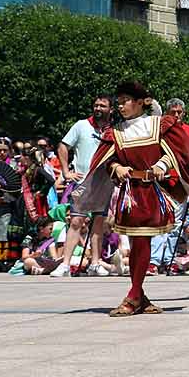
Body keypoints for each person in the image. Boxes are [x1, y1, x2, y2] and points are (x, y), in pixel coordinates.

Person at [77, 80, 189, 317]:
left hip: (152, 192)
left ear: (139, 103)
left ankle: (133, 296)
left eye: (125, 101)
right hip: (128, 194)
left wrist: (162, 164)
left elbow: (179, 151)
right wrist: (115, 167)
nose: (121, 106)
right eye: (119, 102)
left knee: (143, 241)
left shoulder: (159, 125)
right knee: (137, 243)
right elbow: (105, 161)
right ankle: (140, 296)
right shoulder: (114, 133)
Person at [56, 95, 114, 277]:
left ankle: (95, 263)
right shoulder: (81, 125)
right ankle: (65, 265)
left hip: (104, 182)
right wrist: (66, 172)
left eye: (103, 106)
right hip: (82, 181)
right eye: (96, 105)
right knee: (75, 221)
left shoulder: (114, 129)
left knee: (98, 222)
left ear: (110, 109)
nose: (98, 108)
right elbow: (63, 146)